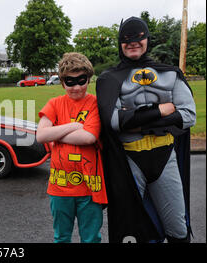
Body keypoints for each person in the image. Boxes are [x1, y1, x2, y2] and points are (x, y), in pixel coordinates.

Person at [96, 17, 196, 243]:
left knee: (178, 229)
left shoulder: (170, 73)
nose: (133, 42)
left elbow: (188, 116)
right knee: (129, 232)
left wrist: (133, 118)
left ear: (147, 39)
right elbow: (111, 121)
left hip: (164, 156)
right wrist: (161, 111)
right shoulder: (109, 79)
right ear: (120, 43)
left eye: (138, 37)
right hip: (129, 160)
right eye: (126, 38)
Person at [37, 52, 107, 243]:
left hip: (90, 187)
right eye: (70, 81)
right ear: (62, 82)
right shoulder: (55, 103)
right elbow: (41, 134)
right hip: (60, 187)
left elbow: (88, 137)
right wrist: (73, 126)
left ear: (89, 79)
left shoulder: (94, 103)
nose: (76, 87)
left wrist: (57, 133)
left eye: (81, 80)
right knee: (61, 237)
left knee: (91, 238)